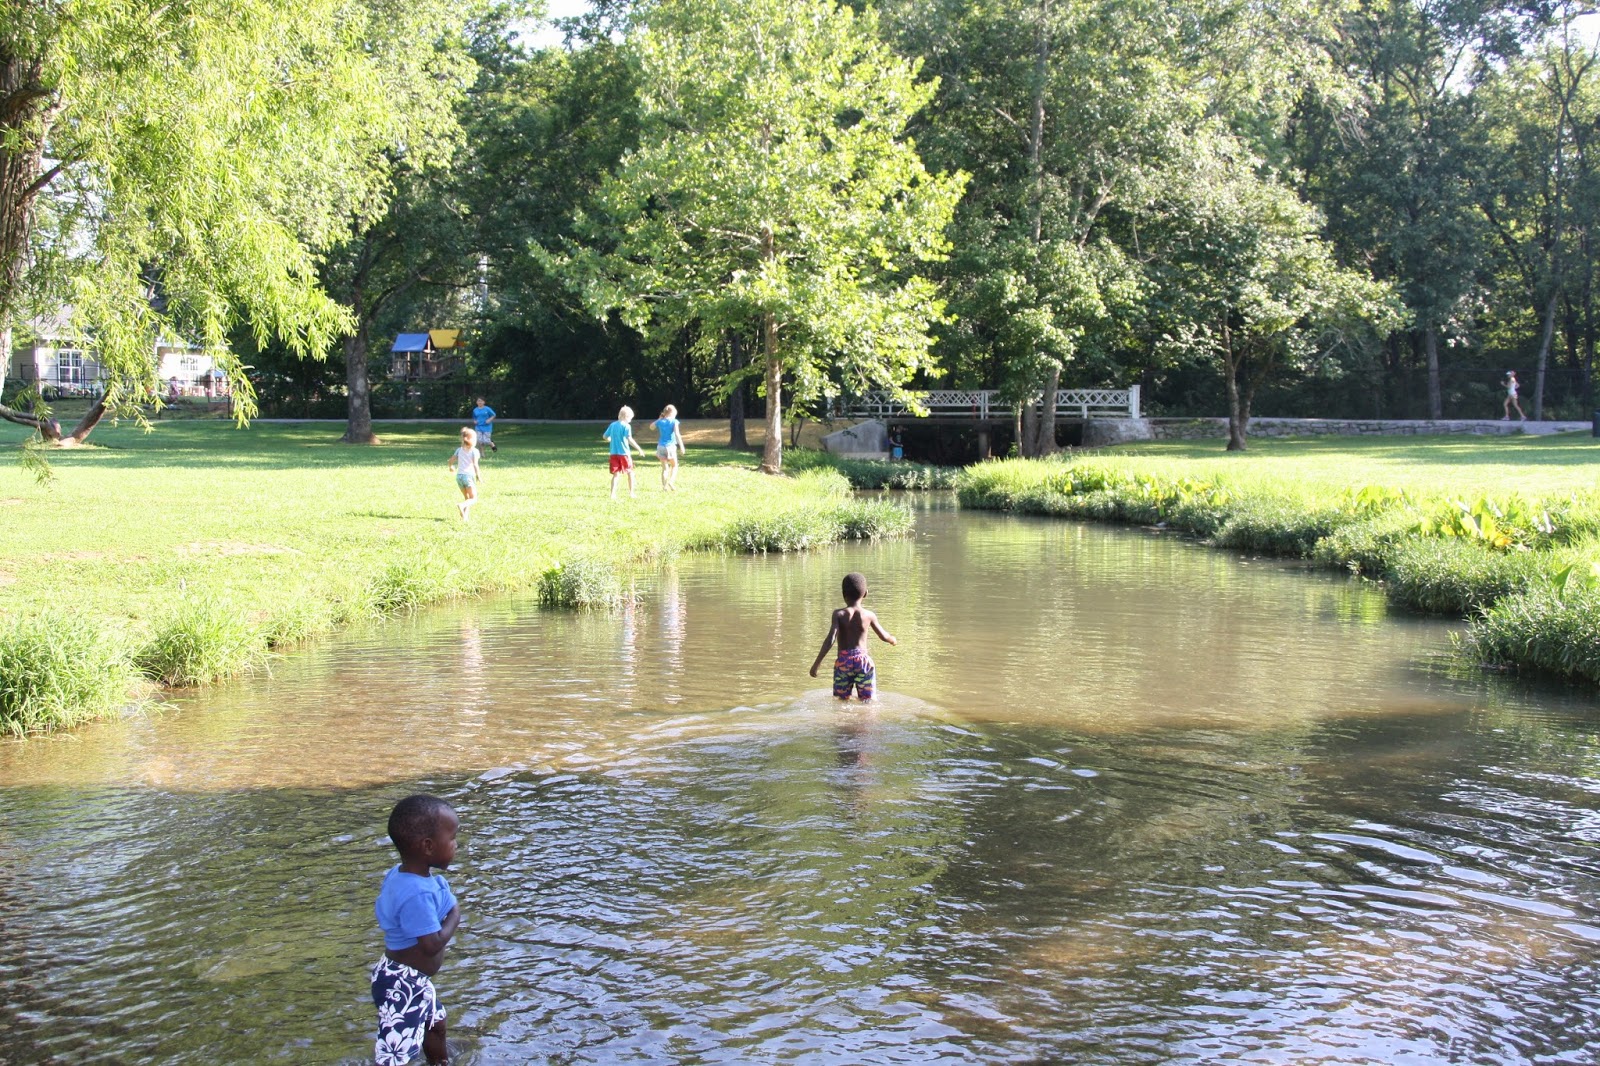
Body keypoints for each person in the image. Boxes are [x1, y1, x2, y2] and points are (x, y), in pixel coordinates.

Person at [371, 795, 461, 1066]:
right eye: (453, 838)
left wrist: (449, 904)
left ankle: (439, 1062)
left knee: (435, 1024)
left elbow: (440, 902)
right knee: (394, 1055)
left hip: (414, 980)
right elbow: (431, 944)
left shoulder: (409, 878)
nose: (456, 844)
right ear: (428, 847)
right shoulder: (415, 894)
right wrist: (455, 917)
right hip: (402, 984)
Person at [810, 572, 898, 701]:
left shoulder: (838, 614)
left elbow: (831, 639)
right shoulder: (869, 615)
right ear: (866, 593)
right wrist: (892, 639)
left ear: (843, 594)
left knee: (842, 701)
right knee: (868, 701)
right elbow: (883, 636)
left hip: (843, 663)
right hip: (863, 662)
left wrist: (816, 664)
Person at [603, 405, 647, 499]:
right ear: (626, 417)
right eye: (630, 418)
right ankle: (631, 493)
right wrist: (639, 449)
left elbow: (605, 436)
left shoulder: (612, 425)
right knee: (630, 473)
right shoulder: (627, 426)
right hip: (624, 454)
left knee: (616, 475)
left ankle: (612, 494)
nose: (631, 420)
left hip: (613, 454)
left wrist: (609, 439)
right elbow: (629, 439)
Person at [448, 427, 483, 521]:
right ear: (471, 440)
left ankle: (464, 517)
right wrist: (478, 476)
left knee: (467, 498)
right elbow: (475, 465)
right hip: (468, 476)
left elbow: (451, 460)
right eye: (475, 438)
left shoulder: (459, 450)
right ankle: (461, 505)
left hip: (459, 477)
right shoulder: (475, 451)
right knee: (473, 498)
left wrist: (451, 467)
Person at [652, 404, 685, 491]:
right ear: (672, 413)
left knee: (665, 468)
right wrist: (681, 446)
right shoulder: (674, 421)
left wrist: (659, 419)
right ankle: (671, 481)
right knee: (674, 466)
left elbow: (651, 427)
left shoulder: (660, 421)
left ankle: (664, 487)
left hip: (660, 446)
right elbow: (677, 434)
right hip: (670, 446)